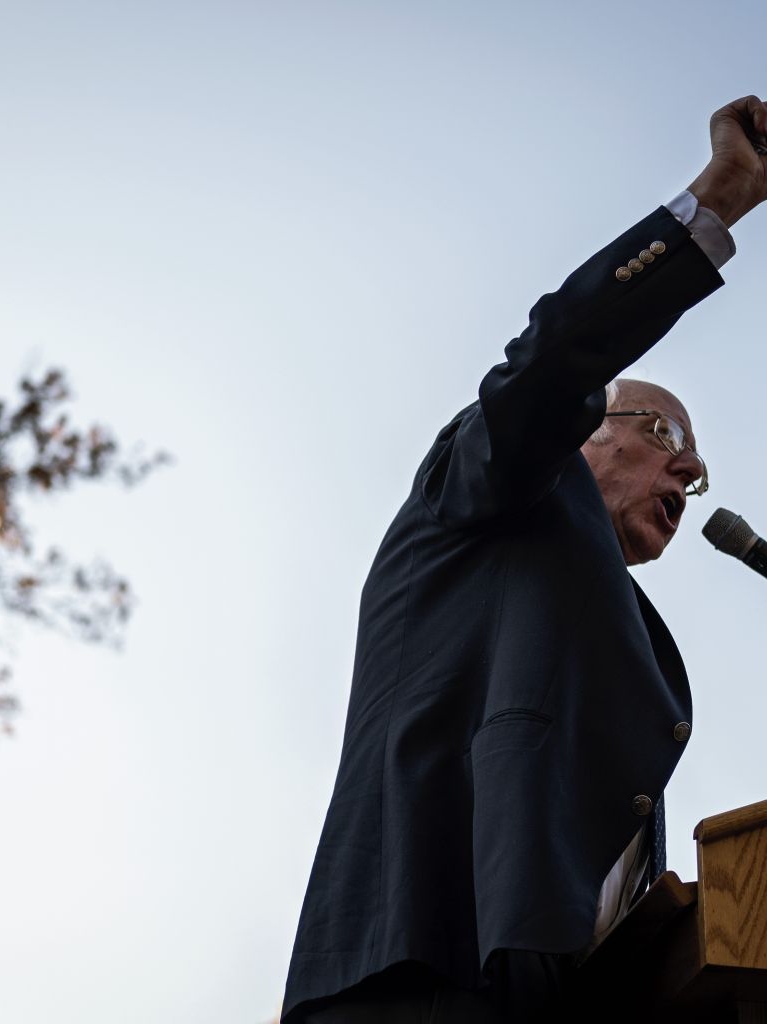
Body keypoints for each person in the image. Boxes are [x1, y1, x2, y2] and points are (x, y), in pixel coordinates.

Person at [281, 96, 767, 1023]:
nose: (692, 466)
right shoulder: (493, 483)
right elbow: (548, 369)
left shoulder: (611, 623)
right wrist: (722, 199)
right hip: (419, 971)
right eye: (665, 433)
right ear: (586, 434)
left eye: (696, 464)